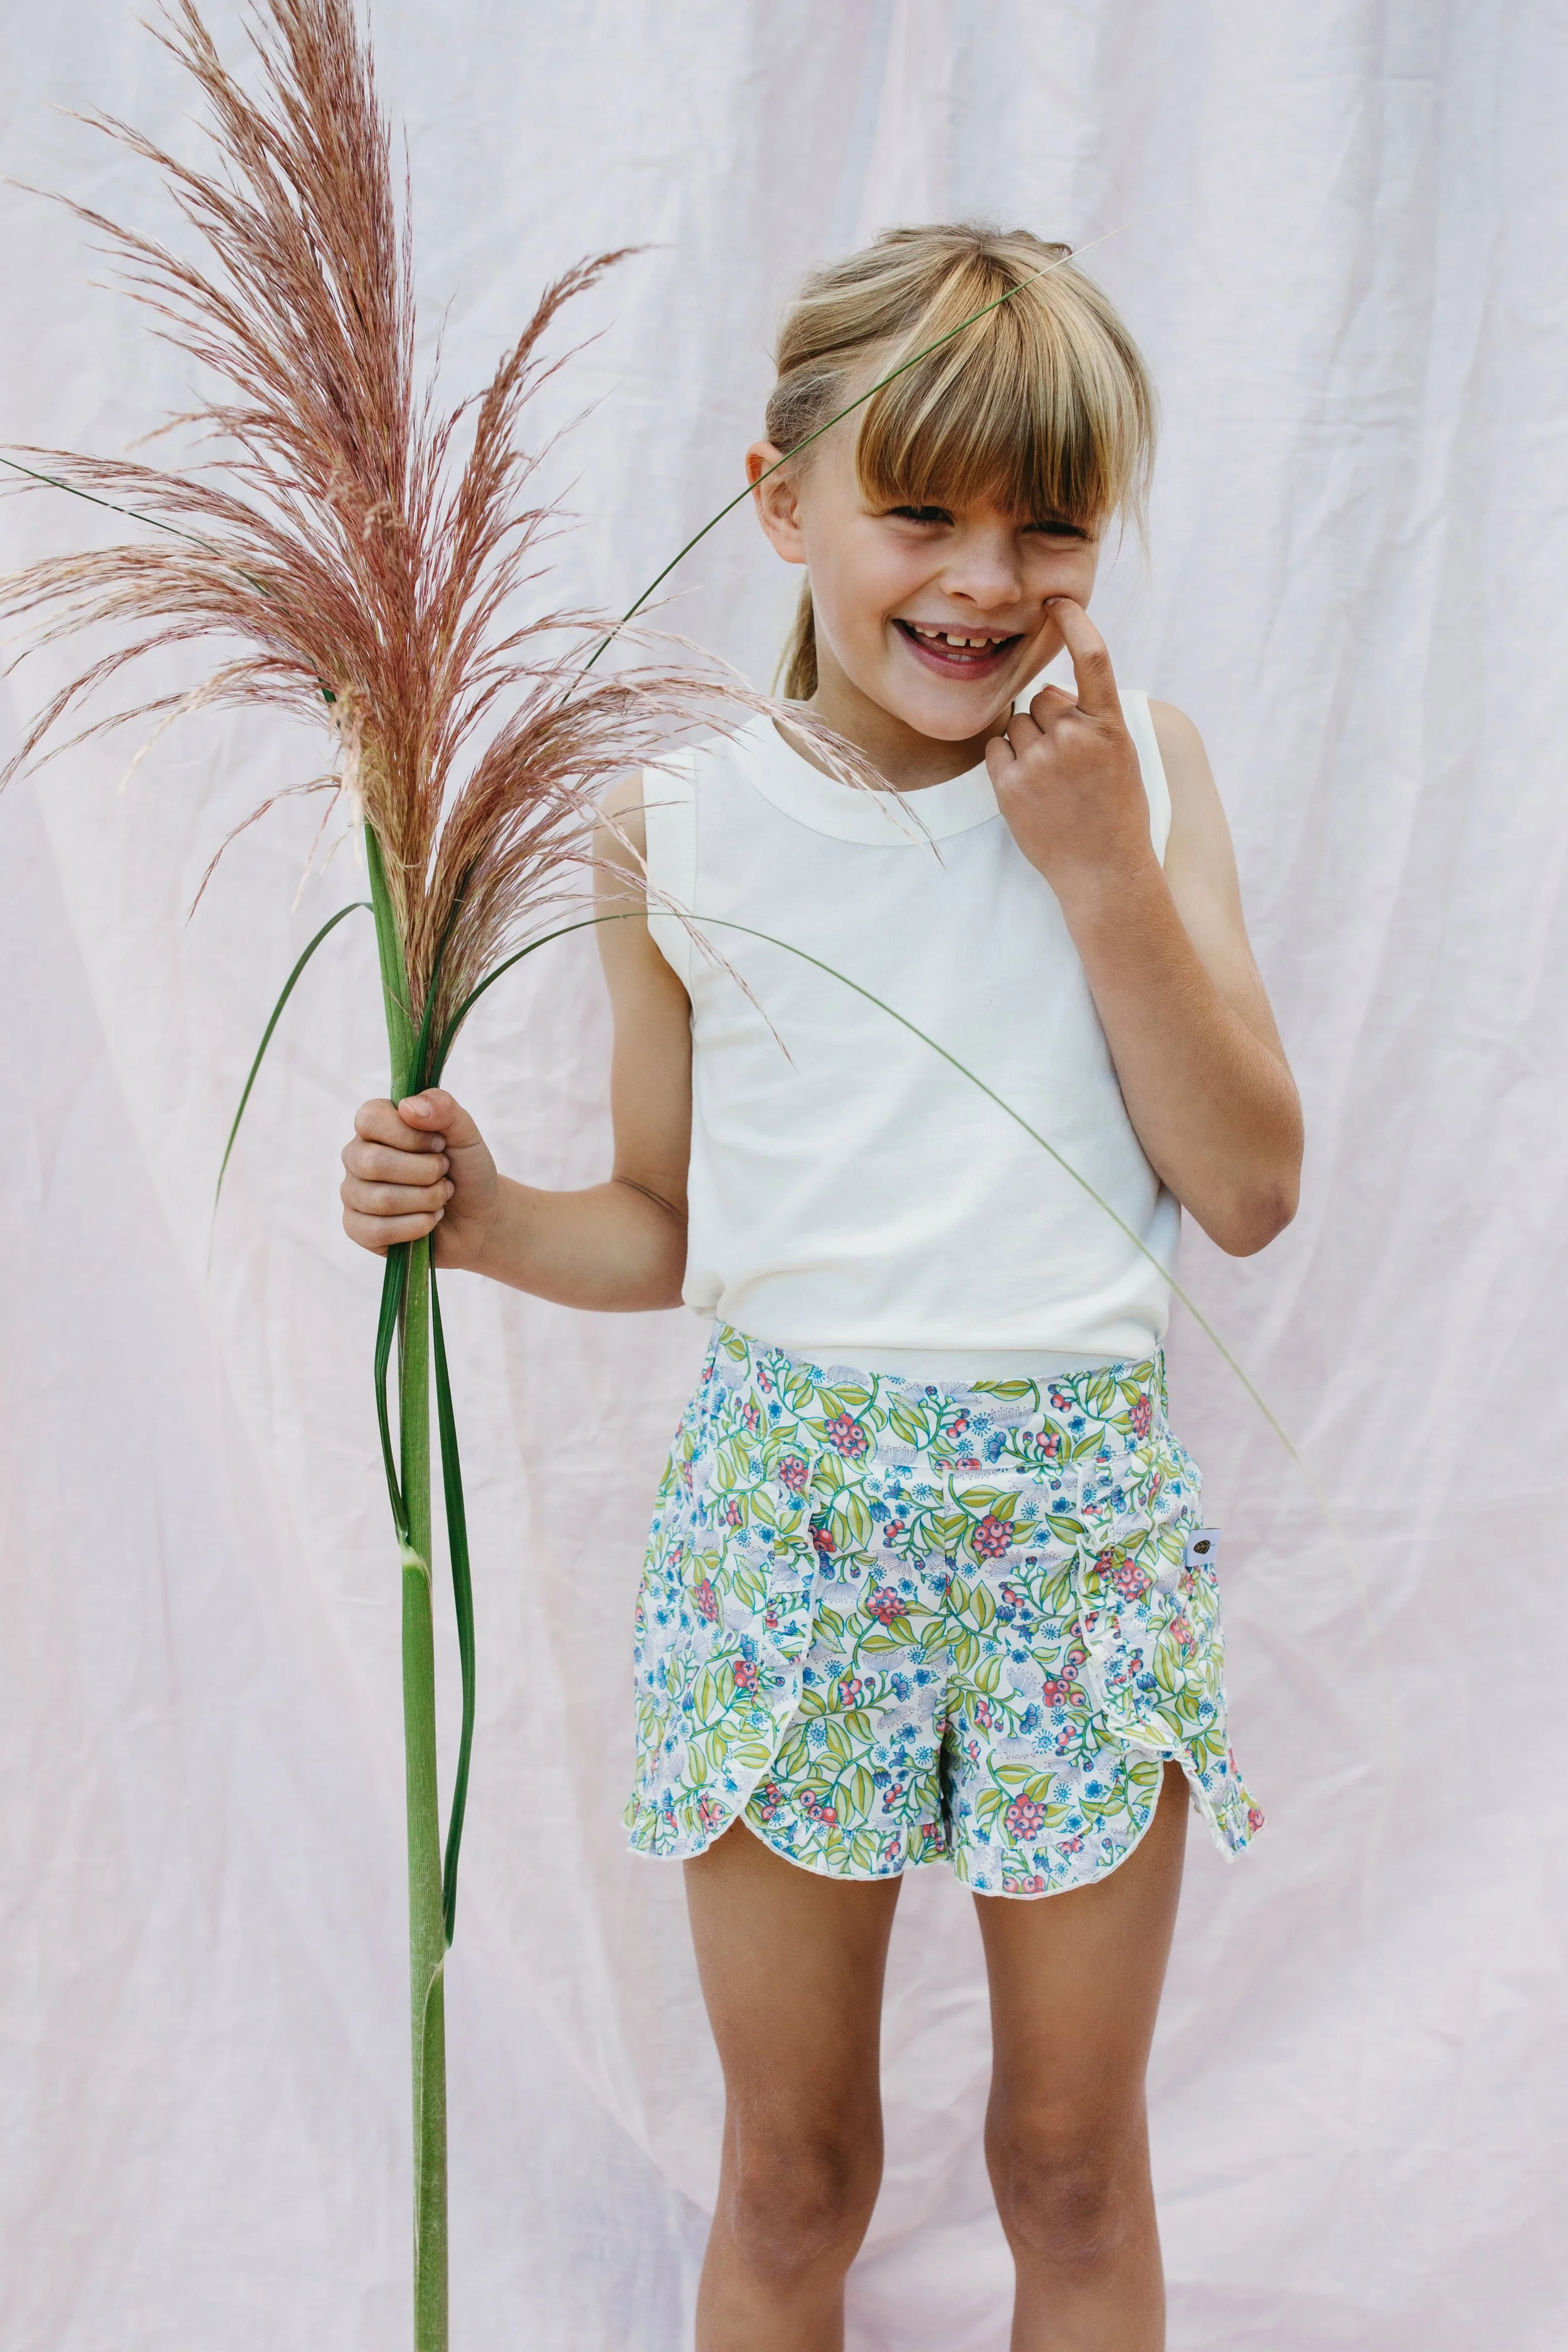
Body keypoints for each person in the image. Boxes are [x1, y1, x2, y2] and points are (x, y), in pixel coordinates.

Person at [339, 224, 1302, 2352]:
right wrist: (490, 1213)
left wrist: (1096, 875)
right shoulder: (677, 819)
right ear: (780, 503)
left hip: (1075, 1530)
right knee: (794, 2175)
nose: (982, 578)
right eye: (919, 508)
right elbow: (671, 1228)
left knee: (1068, 2159)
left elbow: (1244, 1184)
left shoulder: (1140, 786)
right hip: (789, 1524)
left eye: (1047, 524)